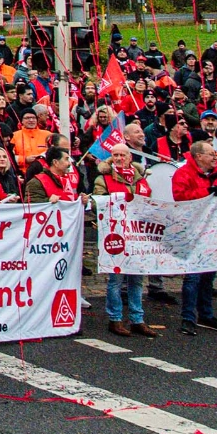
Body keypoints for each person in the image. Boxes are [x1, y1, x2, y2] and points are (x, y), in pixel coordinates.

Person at [94, 143, 156, 337]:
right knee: (116, 279)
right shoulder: (103, 179)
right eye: (115, 155)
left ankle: (138, 319)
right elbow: (98, 204)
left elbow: (150, 204)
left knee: (136, 279)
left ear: (130, 158)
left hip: (137, 235)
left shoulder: (141, 180)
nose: (119, 158)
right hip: (115, 235)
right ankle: (116, 319)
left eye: (122, 155)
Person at [172, 139, 217, 335]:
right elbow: (180, 197)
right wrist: (206, 192)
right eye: (211, 154)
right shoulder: (183, 174)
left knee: (209, 276)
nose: (215, 157)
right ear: (199, 156)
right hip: (193, 231)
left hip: (213, 231)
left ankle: (206, 314)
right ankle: (188, 318)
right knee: (193, 277)